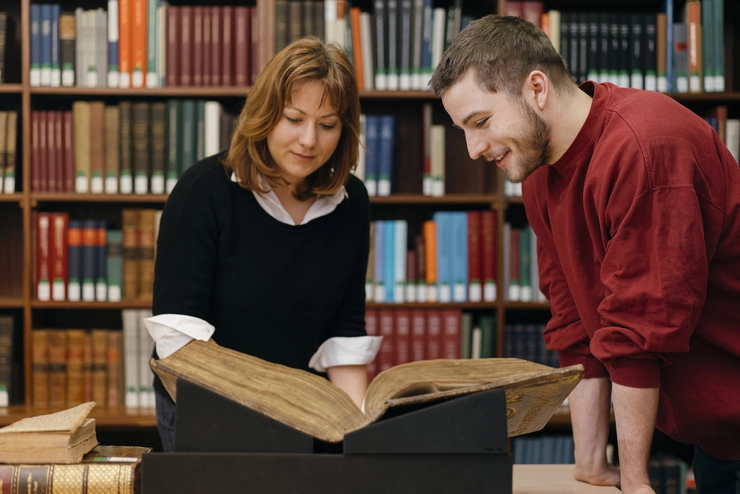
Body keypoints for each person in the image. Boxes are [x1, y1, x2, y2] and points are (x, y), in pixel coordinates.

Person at [430, 14, 740, 494]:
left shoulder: (646, 145)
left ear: (537, 89)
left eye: (481, 122)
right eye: (462, 130)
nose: (472, 149)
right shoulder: (537, 172)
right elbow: (575, 318)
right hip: (713, 437)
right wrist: (591, 463)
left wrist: (634, 481)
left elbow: (643, 325)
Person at [144, 37, 381, 452]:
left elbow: (344, 332)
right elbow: (180, 337)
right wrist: (268, 407)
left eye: (327, 125)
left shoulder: (350, 202)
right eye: (293, 119)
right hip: (205, 401)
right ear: (265, 115)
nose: (309, 140)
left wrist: (359, 431)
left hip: (301, 409)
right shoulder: (203, 192)